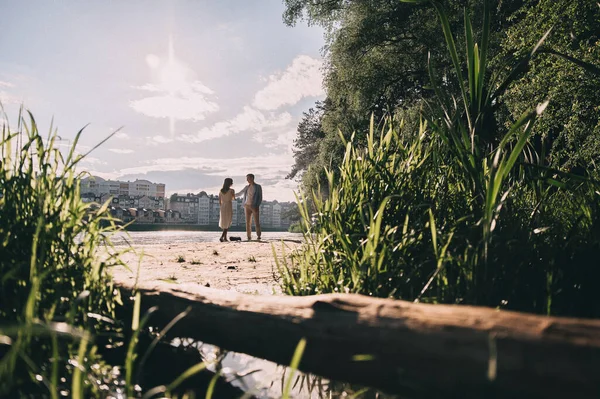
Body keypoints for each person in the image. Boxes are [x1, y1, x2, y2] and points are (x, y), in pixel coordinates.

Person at [236, 173, 263, 240]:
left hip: (254, 206)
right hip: (247, 206)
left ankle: (258, 236)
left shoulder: (258, 187)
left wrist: (257, 205)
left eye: (248, 178)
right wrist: (231, 195)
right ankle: (249, 236)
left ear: (252, 178)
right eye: (247, 178)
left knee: (257, 222)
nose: (247, 180)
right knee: (248, 222)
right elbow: (240, 193)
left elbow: (260, 197)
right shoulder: (246, 187)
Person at [218, 178, 234, 242]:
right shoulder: (231, 190)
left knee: (224, 222)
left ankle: (225, 238)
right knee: (228, 222)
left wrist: (222, 206)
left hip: (222, 206)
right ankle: (222, 237)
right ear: (230, 183)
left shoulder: (221, 191)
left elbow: (219, 201)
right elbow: (233, 198)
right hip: (228, 205)